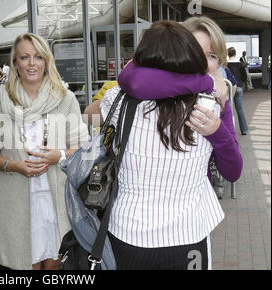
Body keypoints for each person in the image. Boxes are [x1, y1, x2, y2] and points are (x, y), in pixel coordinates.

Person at [94, 20, 238, 270]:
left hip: (128, 231)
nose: (202, 63)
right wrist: (206, 85)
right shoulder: (210, 105)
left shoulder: (116, 101)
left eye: (211, 55)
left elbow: (129, 77)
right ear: (182, 54)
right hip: (188, 235)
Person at [0, 33, 89, 270]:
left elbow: (81, 147)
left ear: (46, 61)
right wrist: (14, 165)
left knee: (55, 265)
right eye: (25, 57)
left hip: (57, 199)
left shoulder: (64, 98)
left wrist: (58, 155)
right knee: (24, 267)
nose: (31, 63)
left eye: (38, 57)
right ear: (15, 62)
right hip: (15, 199)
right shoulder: (1, 100)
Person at [227, 47, 249, 135]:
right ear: (235, 54)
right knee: (239, 109)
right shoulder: (240, 64)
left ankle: (230, 131)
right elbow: (245, 76)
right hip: (239, 87)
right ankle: (244, 130)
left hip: (229, 88)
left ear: (228, 54)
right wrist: (241, 82)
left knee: (228, 110)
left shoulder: (225, 64)